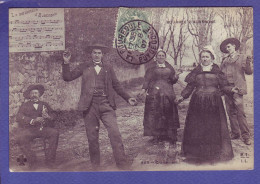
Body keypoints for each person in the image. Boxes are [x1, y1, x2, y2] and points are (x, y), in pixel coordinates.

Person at [62, 44, 137, 170]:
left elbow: (117, 85)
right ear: (91, 54)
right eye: (94, 52)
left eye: (99, 53)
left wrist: (128, 97)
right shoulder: (84, 66)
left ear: (102, 55)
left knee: (115, 133)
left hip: (106, 104)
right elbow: (67, 77)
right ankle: (95, 167)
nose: (96, 55)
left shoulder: (108, 67)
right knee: (92, 138)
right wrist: (66, 62)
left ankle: (122, 165)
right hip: (89, 106)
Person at [176, 46, 234, 163]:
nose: (205, 59)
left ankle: (213, 154)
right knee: (198, 127)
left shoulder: (217, 71)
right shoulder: (196, 71)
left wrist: (232, 90)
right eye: (203, 57)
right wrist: (182, 96)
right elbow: (190, 86)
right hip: (197, 103)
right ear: (200, 58)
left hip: (214, 102)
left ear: (212, 58)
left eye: (207, 57)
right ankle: (197, 154)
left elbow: (223, 87)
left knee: (212, 127)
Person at [139, 50, 180, 144]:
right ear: (156, 57)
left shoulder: (169, 67)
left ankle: (170, 135)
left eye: (162, 55)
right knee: (155, 114)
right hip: (154, 92)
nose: (161, 57)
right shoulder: (151, 68)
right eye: (159, 55)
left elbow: (173, 81)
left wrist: (176, 76)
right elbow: (147, 80)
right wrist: (143, 89)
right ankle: (157, 136)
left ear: (165, 57)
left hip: (168, 92)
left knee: (168, 112)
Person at [16, 84, 59, 169]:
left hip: (43, 129)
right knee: (20, 137)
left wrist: (48, 117)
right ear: (29, 95)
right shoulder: (25, 105)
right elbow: (19, 117)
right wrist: (33, 120)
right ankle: (32, 160)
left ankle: (50, 161)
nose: (34, 95)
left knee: (54, 133)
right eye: (32, 93)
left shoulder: (45, 104)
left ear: (39, 94)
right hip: (30, 130)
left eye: (36, 93)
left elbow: (54, 114)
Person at [220, 38, 253, 145]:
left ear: (234, 46)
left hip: (238, 89)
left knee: (240, 113)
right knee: (230, 112)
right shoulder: (224, 60)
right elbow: (221, 75)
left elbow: (248, 72)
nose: (227, 49)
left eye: (229, 46)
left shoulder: (242, 57)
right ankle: (235, 133)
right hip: (227, 89)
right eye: (226, 48)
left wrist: (248, 62)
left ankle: (246, 136)